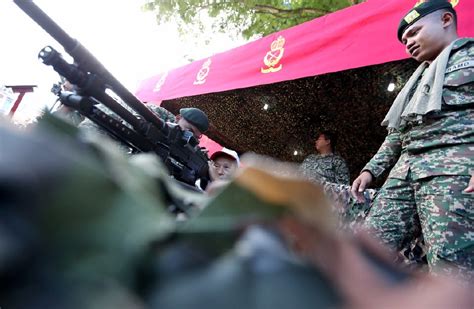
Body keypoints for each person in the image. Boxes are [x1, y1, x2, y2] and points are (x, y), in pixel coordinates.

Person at [351, 0, 473, 281]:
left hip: (453, 171)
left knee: (451, 268)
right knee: (367, 248)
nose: (409, 43)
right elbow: (397, 132)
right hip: (404, 173)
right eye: (405, 40)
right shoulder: (415, 81)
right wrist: (371, 170)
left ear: (445, 19)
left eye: (415, 32)